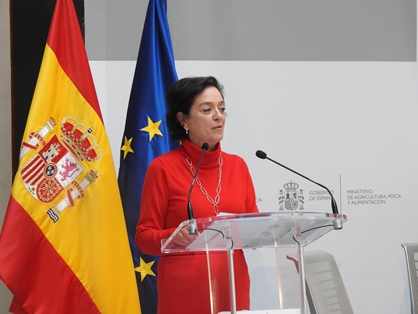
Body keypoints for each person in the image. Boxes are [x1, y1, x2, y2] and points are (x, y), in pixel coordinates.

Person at [135, 76, 259, 314]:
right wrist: (173, 236)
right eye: (207, 109)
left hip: (232, 285)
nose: (218, 116)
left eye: (222, 109)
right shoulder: (163, 168)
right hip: (185, 292)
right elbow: (143, 237)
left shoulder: (238, 166)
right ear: (183, 120)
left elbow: (253, 225)